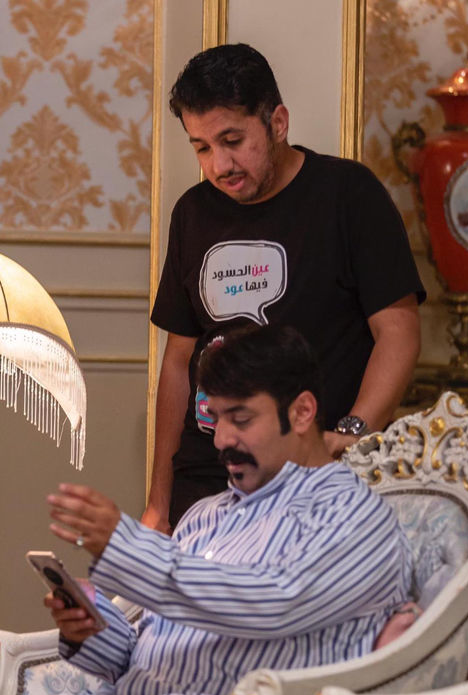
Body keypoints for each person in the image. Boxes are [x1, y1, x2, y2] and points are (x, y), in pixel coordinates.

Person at [0, 325, 412, 695]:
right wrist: (92, 628)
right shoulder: (206, 516)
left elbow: (270, 601)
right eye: (216, 418)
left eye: (241, 419)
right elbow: (141, 654)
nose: (222, 439)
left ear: (301, 412)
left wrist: (128, 546)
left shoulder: (349, 515)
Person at [144, 43, 426, 532]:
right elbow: (177, 363)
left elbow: (399, 332)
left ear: (277, 123)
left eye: (233, 140)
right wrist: (158, 503)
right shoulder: (192, 213)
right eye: (202, 147)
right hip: (205, 475)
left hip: (309, 477)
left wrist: (352, 435)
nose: (220, 165)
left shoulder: (348, 195)